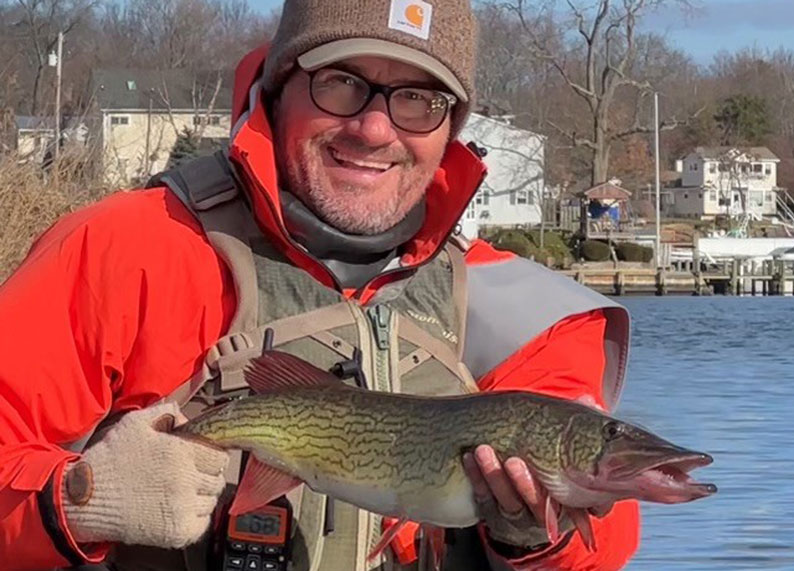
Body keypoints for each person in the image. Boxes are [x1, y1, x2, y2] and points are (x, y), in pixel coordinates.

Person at [0, 0, 640, 569]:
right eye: (341, 83)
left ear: (452, 127)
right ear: (279, 88)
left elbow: (608, 534)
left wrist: (531, 539)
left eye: (419, 99)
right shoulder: (125, 250)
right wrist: (76, 501)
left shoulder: (525, 316)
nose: (374, 129)